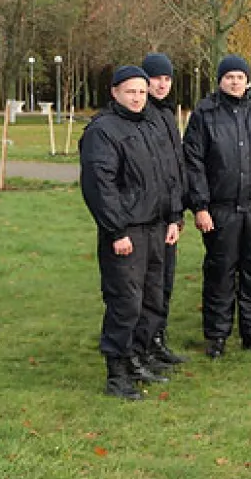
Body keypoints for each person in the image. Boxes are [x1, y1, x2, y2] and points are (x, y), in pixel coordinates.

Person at [80, 66, 183, 399]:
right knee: (126, 302)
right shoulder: (103, 131)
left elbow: (169, 174)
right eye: (130, 91)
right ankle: (117, 373)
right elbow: (101, 186)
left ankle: (139, 357)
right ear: (115, 93)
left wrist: (173, 217)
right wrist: (116, 230)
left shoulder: (152, 125)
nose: (137, 97)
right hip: (126, 233)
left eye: (142, 91)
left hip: (156, 227)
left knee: (152, 298)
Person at [183, 55, 251, 358]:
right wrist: (201, 206)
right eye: (229, 76)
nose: (235, 82)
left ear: (249, 80)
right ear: (220, 80)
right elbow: (193, 164)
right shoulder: (205, 115)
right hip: (222, 208)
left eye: (240, 77)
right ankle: (217, 336)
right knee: (221, 272)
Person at [139, 52, 189, 367]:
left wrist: (177, 212)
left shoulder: (167, 116)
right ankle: (142, 345)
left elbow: (174, 168)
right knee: (147, 285)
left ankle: (158, 340)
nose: (162, 84)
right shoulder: (141, 115)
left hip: (169, 216)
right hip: (146, 216)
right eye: (156, 78)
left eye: (167, 79)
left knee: (165, 282)